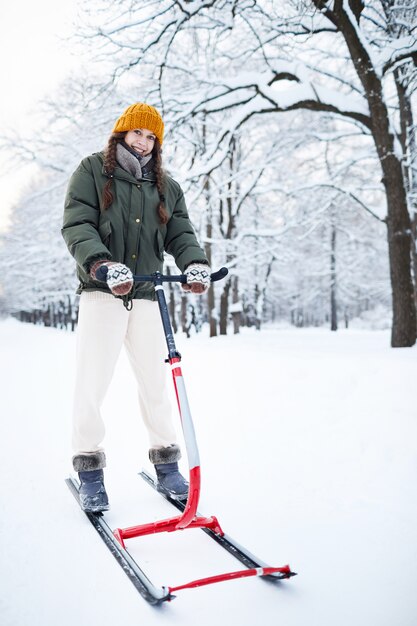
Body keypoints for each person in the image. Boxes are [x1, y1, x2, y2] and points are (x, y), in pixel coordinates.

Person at [62, 102, 210, 513]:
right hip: (102, 292)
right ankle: (89, 469)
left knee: (155, 385)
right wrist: (103, 264)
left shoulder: (166, 185)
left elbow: (181, 233)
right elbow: (77, 224)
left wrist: (194, 264)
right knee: (92, 382)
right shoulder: (93, 170)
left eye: (151, 136)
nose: (144, 142)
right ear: (121, 134)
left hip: (146, 294)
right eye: (137, 134)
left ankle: (167, 464)